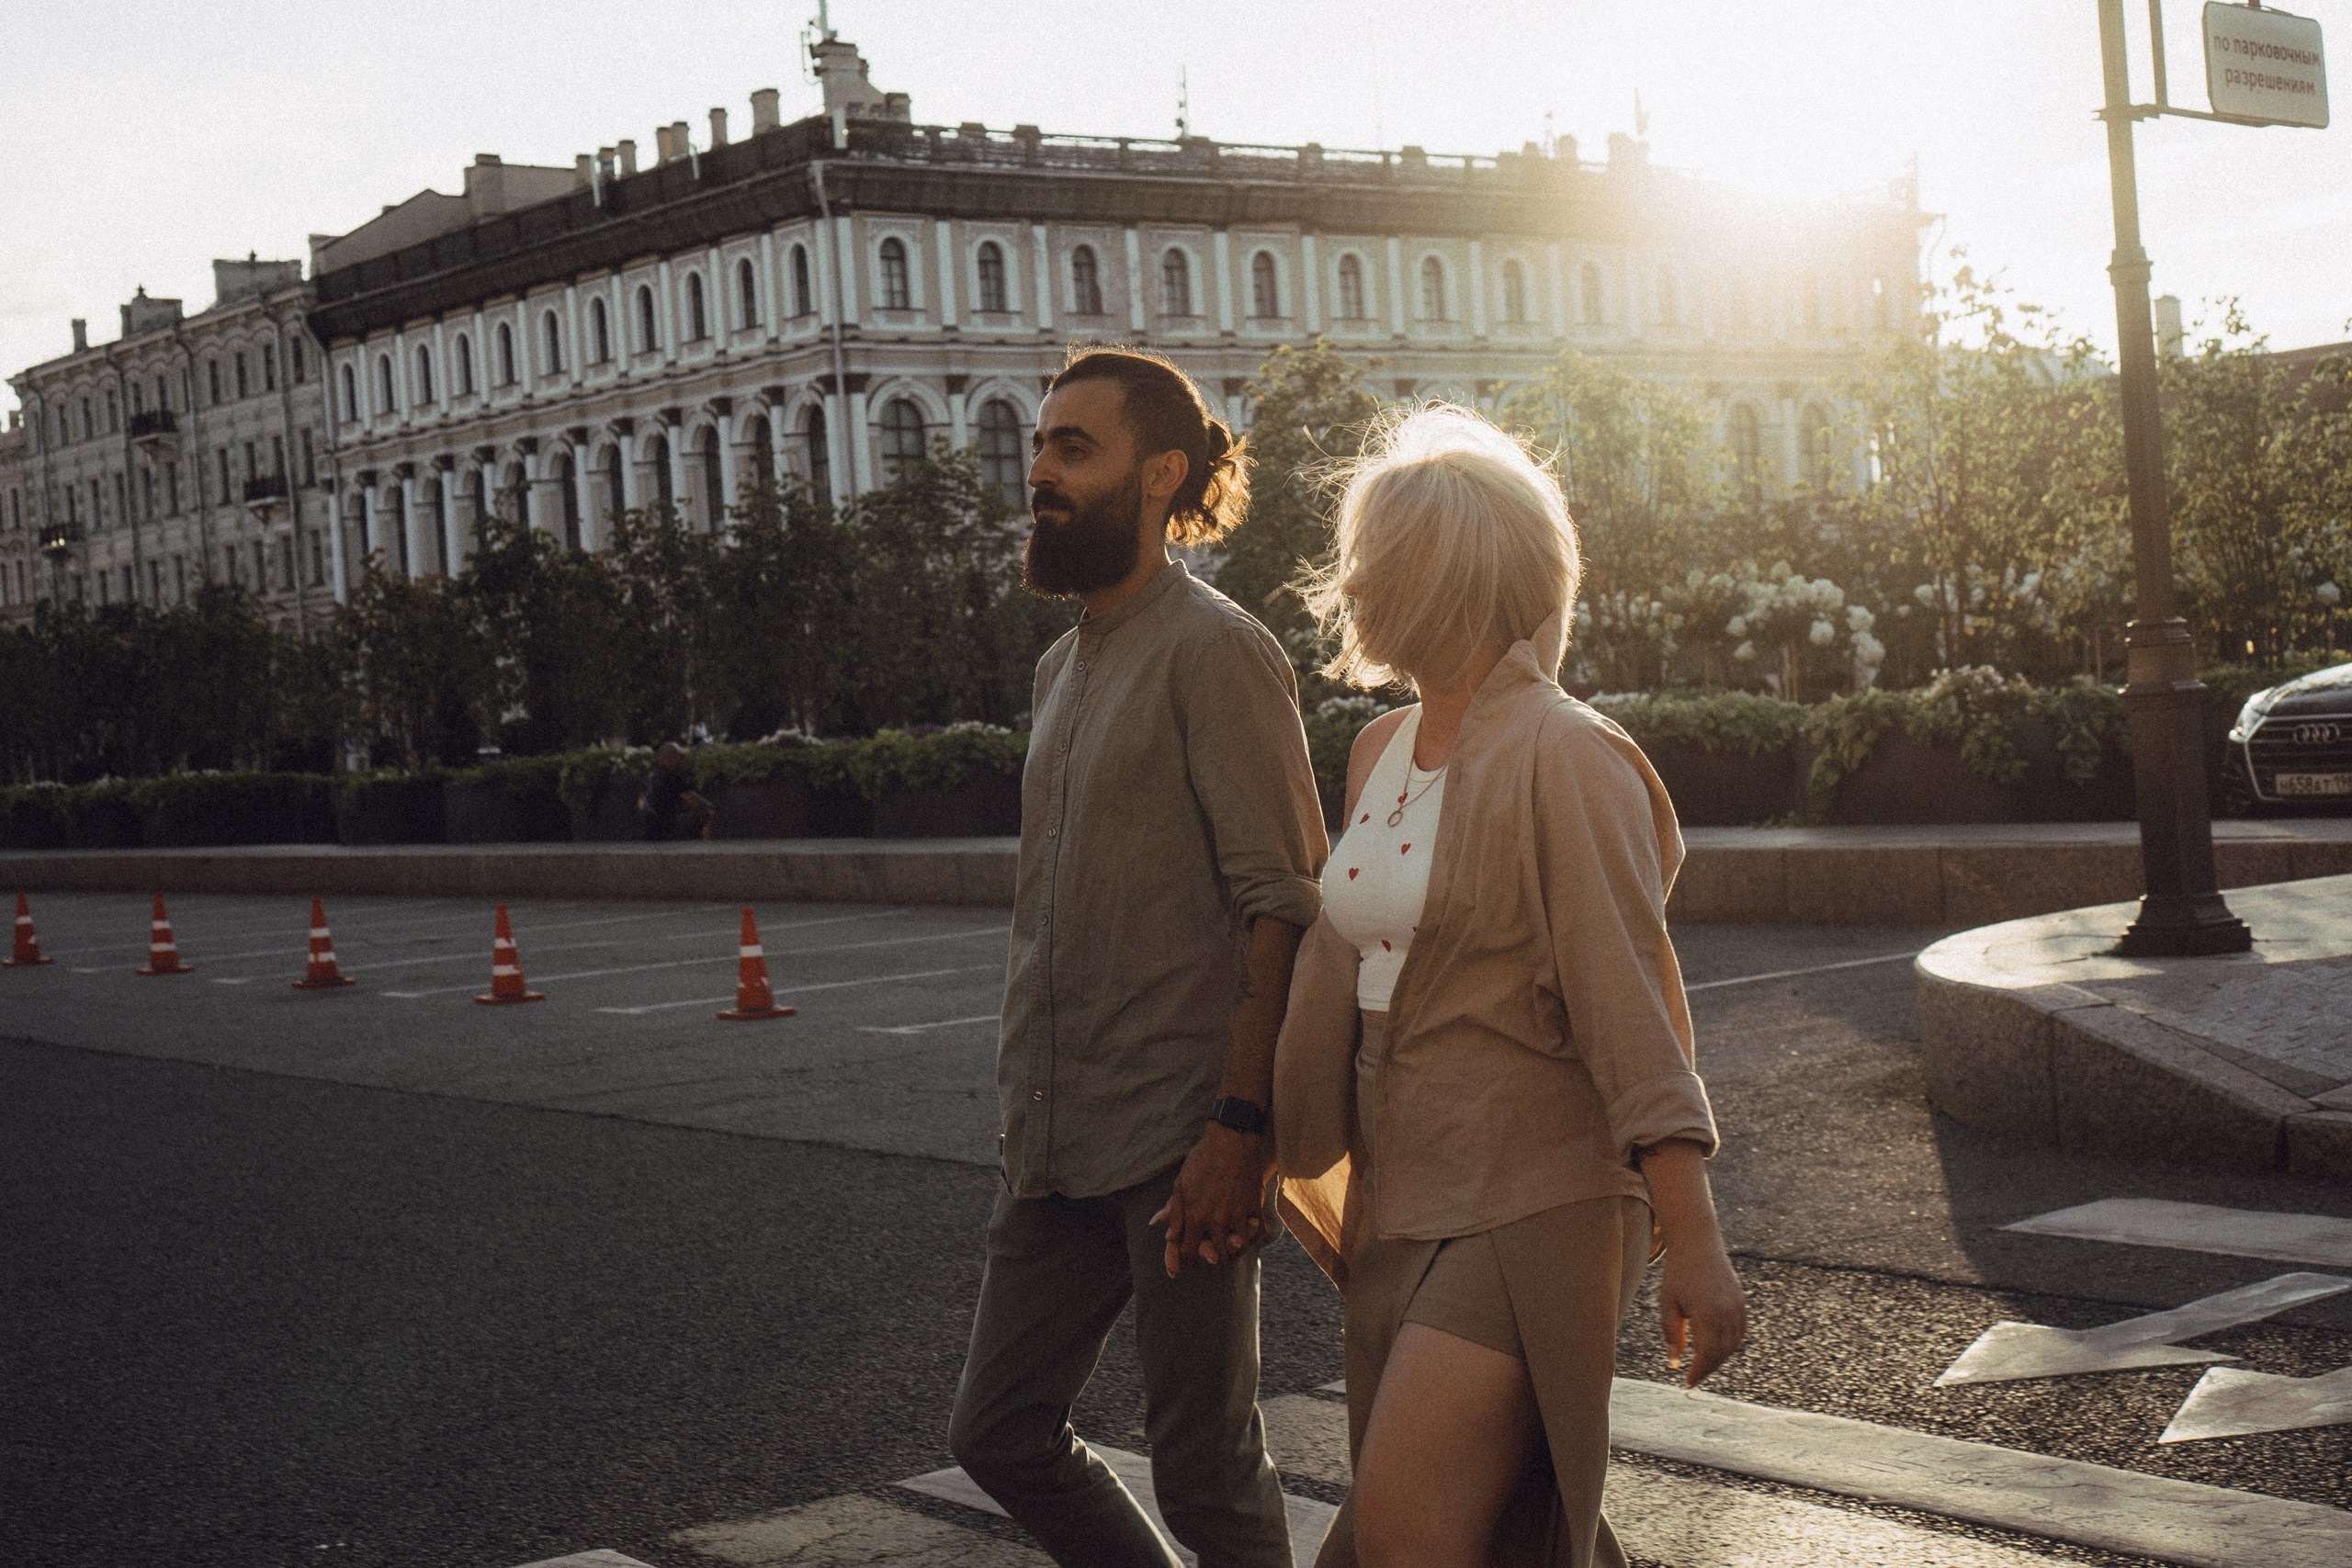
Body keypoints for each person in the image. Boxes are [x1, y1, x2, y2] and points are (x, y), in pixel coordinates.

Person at [1273, 407, 1747, 1568]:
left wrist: (1694, 1238)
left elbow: (1627, 1000)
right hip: (1404, 1183)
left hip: (1535, 1186)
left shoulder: (1566, 752)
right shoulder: (1381, 751)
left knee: (1403, 1535)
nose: (1354, 587)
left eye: (1379, 561)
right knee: (1503, 1536)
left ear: (1448, 577)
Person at [946, 347, 1329, 1568]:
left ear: (1161, 475)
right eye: (1040, 445)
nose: (1041, 472)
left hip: (1180, 1136)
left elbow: (1284, 900)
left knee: (1205, 1469)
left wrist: (1239, 1125)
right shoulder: (1064, 665)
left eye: (1074, 447)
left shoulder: (1216, 649)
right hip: (1055, 1135)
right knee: (999, 1429)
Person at [642, 742, 714, 840]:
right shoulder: (672, 775)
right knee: (706, 813)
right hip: (666, 824)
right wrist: (710, 805)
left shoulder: (652, 773)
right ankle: (706, 849)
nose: (682, 760)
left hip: (647, 823)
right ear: (670, 759)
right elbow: (692, 800)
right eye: (680, 757)